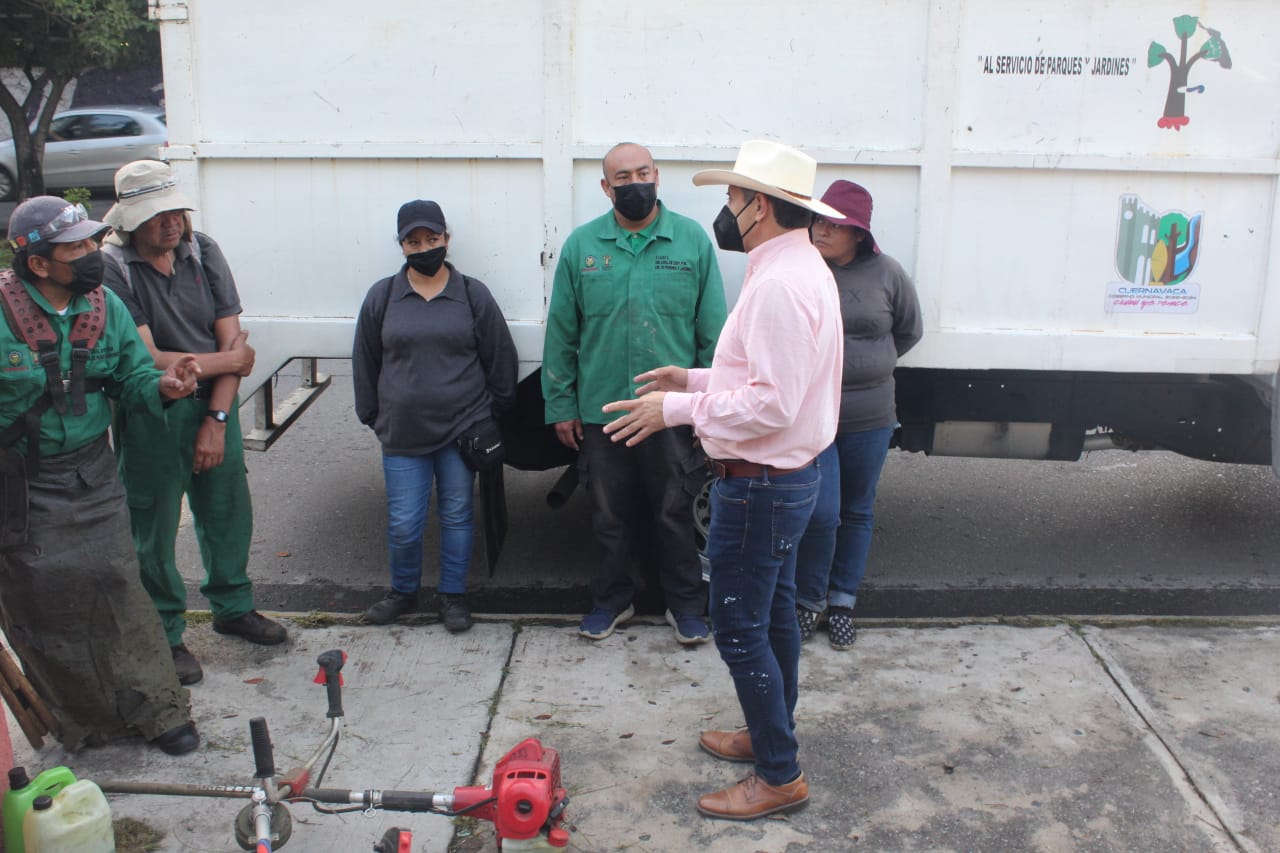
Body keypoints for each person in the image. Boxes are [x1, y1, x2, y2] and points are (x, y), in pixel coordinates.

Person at [601, 140, 844, 820]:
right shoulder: (796, 267)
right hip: (781, 478)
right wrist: (694, 379)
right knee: (773, 614)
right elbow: (764, 377)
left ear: (759, 206)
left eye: (733, 197)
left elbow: (773, 404)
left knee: (738, 627)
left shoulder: (779, 285)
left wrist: (676, 409)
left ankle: (779, 774)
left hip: (762, 484)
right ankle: (771, 736)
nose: (727, 209)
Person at [0, 196, 201, 754]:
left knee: (119, 586)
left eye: (92, 241)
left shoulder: (103, 304)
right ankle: (82, 722)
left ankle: (159, 711)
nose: (92, 252)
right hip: (19, 485)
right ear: (38, 262)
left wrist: (164, 386)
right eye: (77, 247)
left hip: (91, 473)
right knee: (43, 601)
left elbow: (131, 379)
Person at [101, 160, 288, 688]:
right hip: (152, 407)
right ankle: (164, 632)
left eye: (175, 211)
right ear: (129, 220)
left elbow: (234, 344)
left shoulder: (203, 250)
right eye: (155, 215)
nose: (170, 223)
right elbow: (149, 357)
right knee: (154, 527)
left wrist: (218, 418)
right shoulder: (113, 267)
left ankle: (233, 606)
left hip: (212, 401)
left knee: (227, 511)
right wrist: (227, 361)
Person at [542, 142, 726, 645]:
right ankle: (611, 601)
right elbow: (562, 334)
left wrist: (706, 409)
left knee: (674, 512)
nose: (634, 184)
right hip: (603, 410)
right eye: (622, 177)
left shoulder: (690, 241)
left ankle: (685, 606)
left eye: (642, 173)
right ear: (606, 187)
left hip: (670, 412)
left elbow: (713, 334)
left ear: (657, 177)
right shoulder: (583, 247)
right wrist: (561, 405)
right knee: (609, 515)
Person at [353, 200, 517, 631]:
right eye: (414, 242)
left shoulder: (472, 294)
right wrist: (374, 417)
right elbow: (365, 361)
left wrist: (488, 415)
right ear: (401, 245)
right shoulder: (383, 296)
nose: (424, 248)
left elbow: (501, 358)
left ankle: (453, 596)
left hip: (462, 432)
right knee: (404, 523)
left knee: (457, 516)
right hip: (402, 434)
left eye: (432, 239)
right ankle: (402, 592)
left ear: (447, 239)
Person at [795, 181, 922, 650]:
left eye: (835, 225)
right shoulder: (804, 270)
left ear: (859, 234)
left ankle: (842, 602)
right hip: (816, 417)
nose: (822, 230)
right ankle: (809, 600)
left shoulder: (888, 273)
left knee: (857, 510)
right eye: (818, 220)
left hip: (870, 417)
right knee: (821, 513)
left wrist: (870, 367)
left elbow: (909, 331)